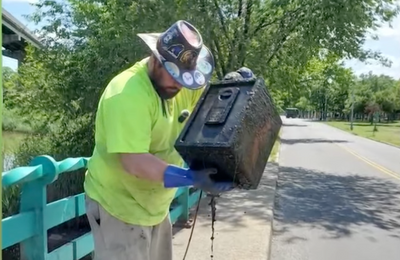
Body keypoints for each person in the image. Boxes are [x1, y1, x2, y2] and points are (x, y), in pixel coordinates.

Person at [83, 20, 254, 260]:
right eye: (175, 76)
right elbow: (134, 162)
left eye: (186, 78)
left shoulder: (183, 85)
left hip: (155, 204)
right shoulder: (127, 94)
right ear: (155, 59)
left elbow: (208, 112)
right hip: (118, 206)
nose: (180, 85)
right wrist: (190, 178)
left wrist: (235, 90)